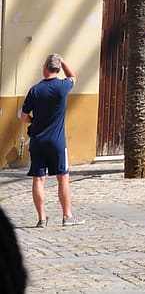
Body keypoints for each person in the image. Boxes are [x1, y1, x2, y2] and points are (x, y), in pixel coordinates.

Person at [19, 52, 84, 227]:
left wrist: (35, 120)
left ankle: (41, 218)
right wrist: (62, 61)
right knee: (63, 177)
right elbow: (73, 76)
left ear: (45, 68)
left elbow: (24, 116)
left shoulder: (35, 90)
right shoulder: (63, 86)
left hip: (38, 141)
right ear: (57, 68)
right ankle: (67, 216)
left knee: (38, 179)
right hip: (57, 142)